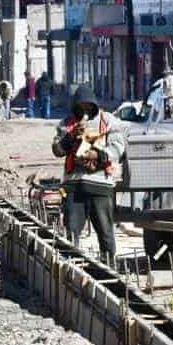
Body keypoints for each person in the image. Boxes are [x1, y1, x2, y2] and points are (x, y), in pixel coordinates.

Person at [51, 85, 126, 263]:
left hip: (100, 185)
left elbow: (118, 148)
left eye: (88, 107)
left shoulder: (108, 121)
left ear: (94, 106)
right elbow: (57, 150)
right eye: (81, 107)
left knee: (105, 232)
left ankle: (108, 264)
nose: (85, 111)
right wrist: (69, 137)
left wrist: (97, 155)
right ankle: (72, 267)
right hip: (74, 186)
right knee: (71, 232)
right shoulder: (66, 124)